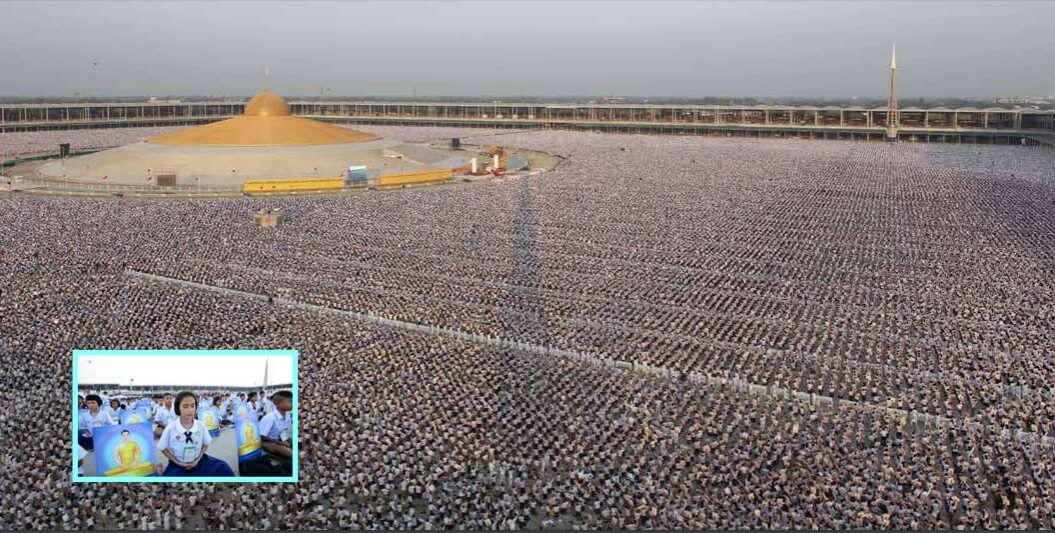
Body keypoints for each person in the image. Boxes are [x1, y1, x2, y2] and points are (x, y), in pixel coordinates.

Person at [157, 391, 234, 477]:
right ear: (178, 408)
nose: (190, 410)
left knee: (223, 468)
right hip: (178, 464)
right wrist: (177, 462)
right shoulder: (171, 428)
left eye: (192, 406)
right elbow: (162, 447)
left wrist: (197, 460)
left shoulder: (201, 425)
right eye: (185, 406)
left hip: (199, 461)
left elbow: (206, 443)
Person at [257, 390, 293, 475]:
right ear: (278, 404)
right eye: (289, 401)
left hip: (280, 439)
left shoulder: (287, 415)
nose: (292, 403)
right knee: (290, 453)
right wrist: (280, 443)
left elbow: (284, 431)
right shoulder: (270, 418)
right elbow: (261, 436)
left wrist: (287, 441)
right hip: (267, 442)